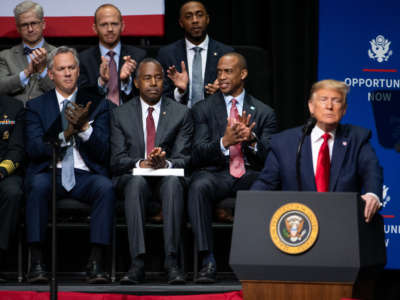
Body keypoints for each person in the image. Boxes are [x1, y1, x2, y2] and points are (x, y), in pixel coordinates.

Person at [251, 79, 385, 300]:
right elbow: (266, 182)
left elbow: (372, 170)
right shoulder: (286, 142)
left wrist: (372, 193)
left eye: (336, 101)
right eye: (323, 100)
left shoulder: (357, 138)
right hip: (295, 235)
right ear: (311, 107)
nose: (330, 106)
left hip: (340, 236)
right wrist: (252, 209)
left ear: (344, 109)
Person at [24, 46, 115, 284]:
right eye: (61, 69)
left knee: (105, 187)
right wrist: (65, 134)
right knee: (36, 185)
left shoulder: (97, 104)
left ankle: (96, 262)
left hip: (85, 174)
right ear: (51, 74)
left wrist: (84, 129)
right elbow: (34, 150)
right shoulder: (36, 106)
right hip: (50, 173)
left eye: (71, 68)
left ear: (78, 71)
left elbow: (105, 152)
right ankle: (36, 263)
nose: (67, 73)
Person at [188, 52, 277, 283]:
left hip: (248, 174)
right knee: (198, 186)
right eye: (219, 72)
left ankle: (257, 260)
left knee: (270, 184)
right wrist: (224, 143)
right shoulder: (203, 109)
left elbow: (272, 159)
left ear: (243, 74)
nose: (222, 77)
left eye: (228, 71)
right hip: (215, 174)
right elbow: (195, 153)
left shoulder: (265, 112)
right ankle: (207, 259)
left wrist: (252, 140)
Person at [110, 58, 193, 285]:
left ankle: (172, 262)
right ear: (137, 83)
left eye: (158, 77)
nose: (154, 83)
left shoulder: (180, 113)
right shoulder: (120, 114)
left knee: (174, 185)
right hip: (135, 177)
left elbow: (185, 158)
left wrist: (165, 164)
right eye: (147, 78)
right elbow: (116, 161)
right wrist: (141, 163)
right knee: (135, 185)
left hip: (168, 177)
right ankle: (137, 262)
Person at [157, 1, 234, 107]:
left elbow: (238, 90)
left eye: (199, 15)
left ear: (207, 19)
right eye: (188, 17)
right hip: (179, 117)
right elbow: (159, 94)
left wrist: (223, 91)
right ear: (181, 23)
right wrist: (179, 92)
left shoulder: (226, 53)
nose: (195, 20)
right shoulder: (167, 54)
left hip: (214, 117)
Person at [78, 4, 146, 106]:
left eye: (114, 24)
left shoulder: (138, 56)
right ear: (95, 28)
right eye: (104, 24)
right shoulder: (83, 59)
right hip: (96, 118)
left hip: (130, 117)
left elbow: (147, 94)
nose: (110, 29)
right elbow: (81, 96)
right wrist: (102, 81)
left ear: (122, 26)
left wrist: (126, 81)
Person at [0, 1, 55, 105]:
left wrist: (43, 71)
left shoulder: (59, 54)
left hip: (48, 116)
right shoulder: (5, 56)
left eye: (33, 23)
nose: (30, 29)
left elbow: (64, 91)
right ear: (18, 28)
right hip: (14, 117)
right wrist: (25, 73)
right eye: (24, 25)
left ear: (43, 24)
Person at [0, 96, 25, 283]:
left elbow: (17, 149)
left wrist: (1, 171)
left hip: (4, 172)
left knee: (13, 193)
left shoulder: (14, 107)